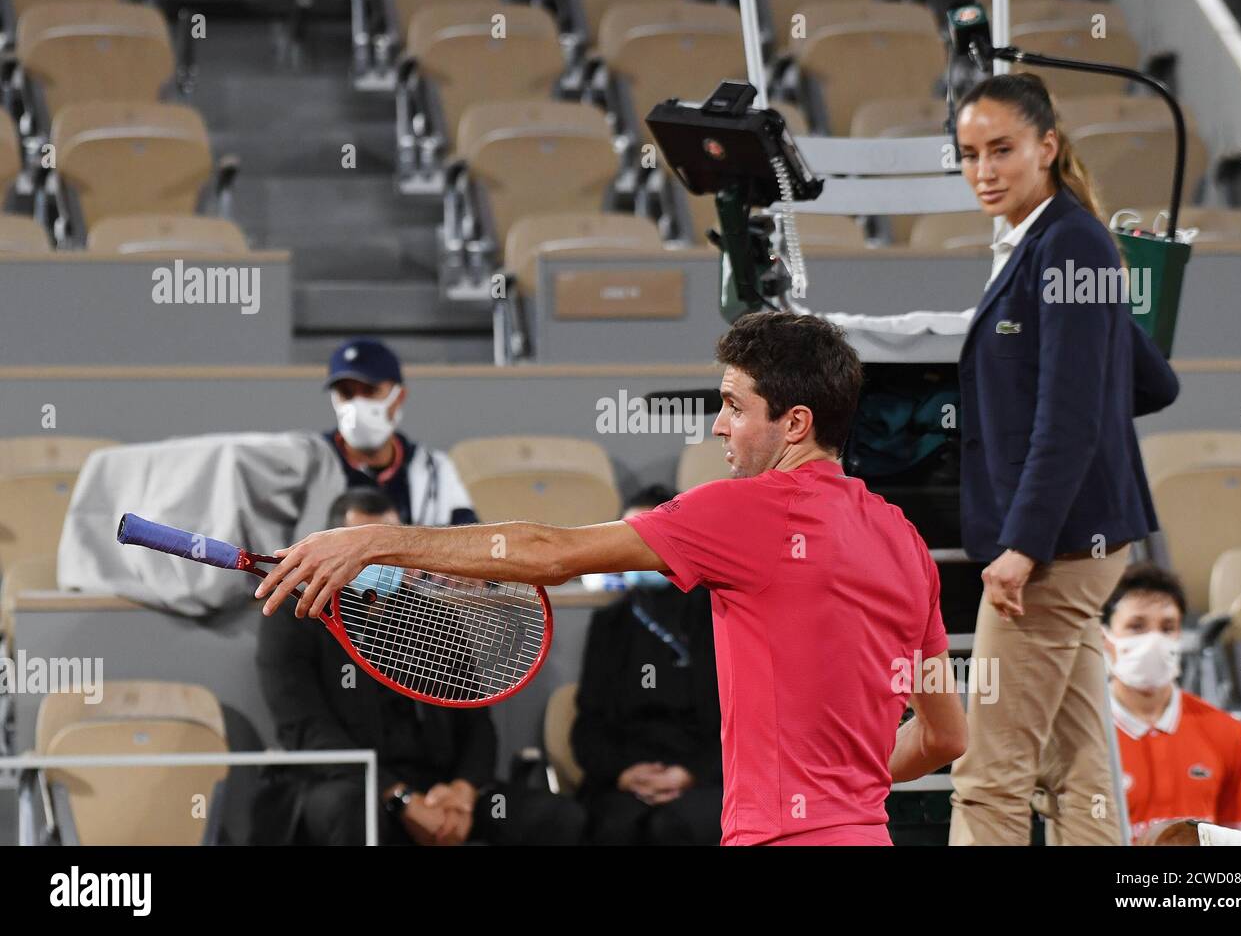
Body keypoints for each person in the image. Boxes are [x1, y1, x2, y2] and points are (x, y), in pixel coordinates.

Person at [255, 311, 969, 847]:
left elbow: (548, 550)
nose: (718, 426)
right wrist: (845, 788)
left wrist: (380, 540)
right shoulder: (904, 540)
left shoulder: (745, 511)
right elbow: (945, 737)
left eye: (734, 405)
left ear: (796, 423)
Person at [946, 73, 1181, 846]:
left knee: (988, 775)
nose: (984, 169)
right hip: (1081, 544)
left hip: (1051, 551)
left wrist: (1022, 544)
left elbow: (1073, 412)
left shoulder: (1069, 241)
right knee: (1080, 774)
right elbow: (1153, 381)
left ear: (1047, 147)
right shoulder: (1065, 239)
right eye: (970, 154)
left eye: (1002, 149)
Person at [255, 487, 584, 846]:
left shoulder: (433, 615)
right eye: (366, 551)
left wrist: (462, 792)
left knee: (557, 818)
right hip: (353, 787)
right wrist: (399, 798)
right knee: (351, 810)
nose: (381, 562)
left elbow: (477, 725)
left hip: (440, 788)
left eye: (387, 547)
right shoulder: (296, 616)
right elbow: (305, 731)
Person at [572, 485, 723, 846]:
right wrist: (625, 775)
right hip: (625, 773)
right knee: (615, 826)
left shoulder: (715, 616)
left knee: (674, 827)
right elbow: (589, 724)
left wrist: (689, 774)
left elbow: (740, 719)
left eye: (648, 536)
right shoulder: (610, 623)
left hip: (704, 774)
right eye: (628, 536)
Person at [1096, 563, 1241, 843]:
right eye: (1136, 626)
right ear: (1105, 637)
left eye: (1167, 627)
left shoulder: (1226, 731)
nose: (1153, 640)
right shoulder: (1081, 735)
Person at [323, 337, 477, 527]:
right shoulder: (309, 465)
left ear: (399, 396)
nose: (357, 404)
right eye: (346, 393)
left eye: (370, 390)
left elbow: (469, 542)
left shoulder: (435, 470)